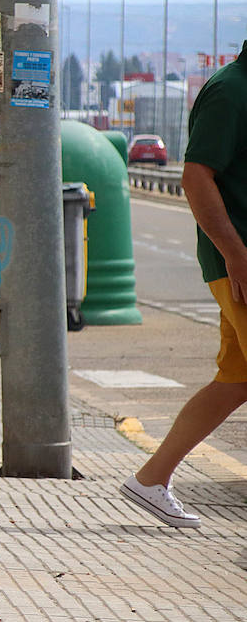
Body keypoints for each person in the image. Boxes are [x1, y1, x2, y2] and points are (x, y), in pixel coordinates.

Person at [121, 43, 247, 528]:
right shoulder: (232, 91)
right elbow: (195, 177)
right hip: (240, 264)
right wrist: (235, 254)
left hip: (237, 261)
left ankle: (151, 478)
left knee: (236, 382)